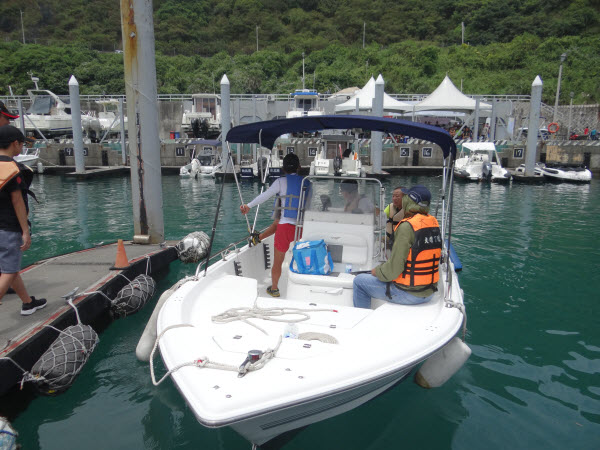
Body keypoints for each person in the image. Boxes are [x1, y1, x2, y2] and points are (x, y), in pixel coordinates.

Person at [353, 185, 441, 309]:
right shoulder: (433, 222)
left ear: (409, 201)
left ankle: (360, 319)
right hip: (429, 291)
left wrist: (377, 271)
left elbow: (394, 270)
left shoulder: (407, 226)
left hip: (409, 293)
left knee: (359, 282)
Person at [240, 153, 310, 297]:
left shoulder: (280, 181)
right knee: (302, 258)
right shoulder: (308, 182)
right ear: (299, 167)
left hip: (284, 227)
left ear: (283, 168)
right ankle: (304, 287)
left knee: (278, 262)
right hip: (303, 228)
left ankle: (274, 288)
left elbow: (265, 195)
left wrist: (249, 205)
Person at [0, 126, 47, 314]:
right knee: (9, 270)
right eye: (21, 144)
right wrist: (25, 231)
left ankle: (28, 303)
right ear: (14, 144)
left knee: (9, 267)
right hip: (8, 227)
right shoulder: (12, 169)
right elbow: (17, 201)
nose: (22, 148)